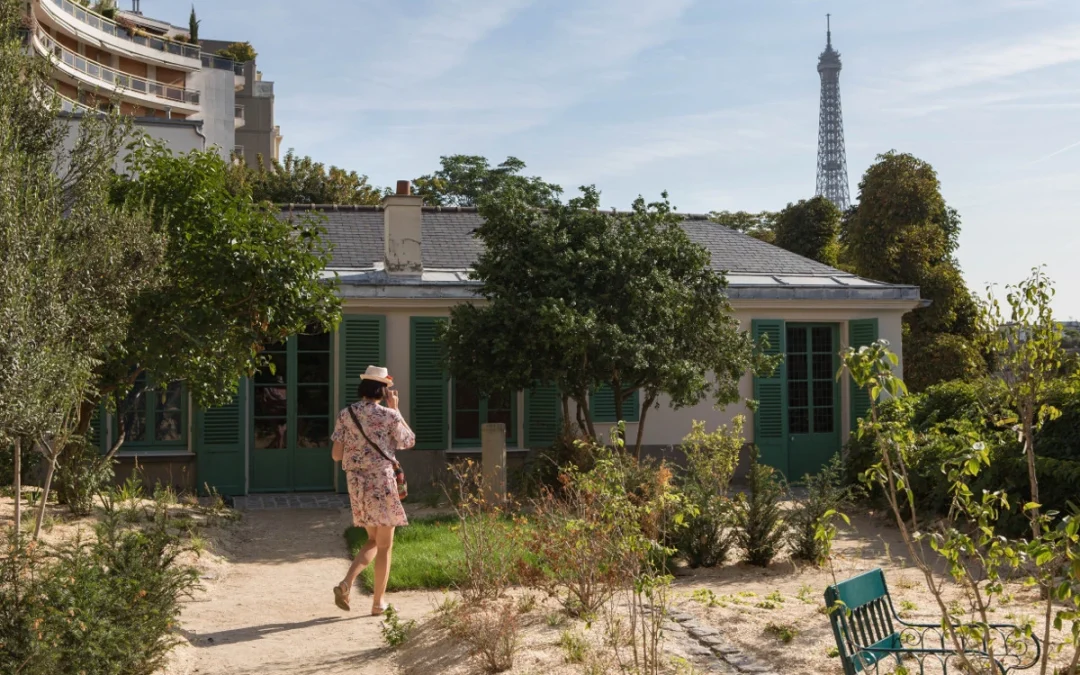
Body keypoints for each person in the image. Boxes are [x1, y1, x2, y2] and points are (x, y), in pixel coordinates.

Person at [330, 365, 415, 615]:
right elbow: (409, 441)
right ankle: (377, 603)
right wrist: (396, 409)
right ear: (383, 390)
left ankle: (347, 585)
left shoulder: (346, 414)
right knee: (385, 545)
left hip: (357, 485)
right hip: (382, 484)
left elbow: (336, 455)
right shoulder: (389, 415)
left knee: (372, 539)